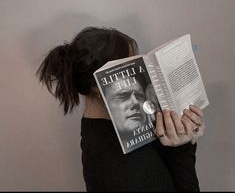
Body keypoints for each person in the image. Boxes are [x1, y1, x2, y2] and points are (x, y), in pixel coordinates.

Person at [36, 26, 205, 192]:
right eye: (131, 68)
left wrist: (182, 137)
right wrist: (182, 149)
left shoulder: (103, 128)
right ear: (100, 85)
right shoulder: (120, 162)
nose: (141, 75)